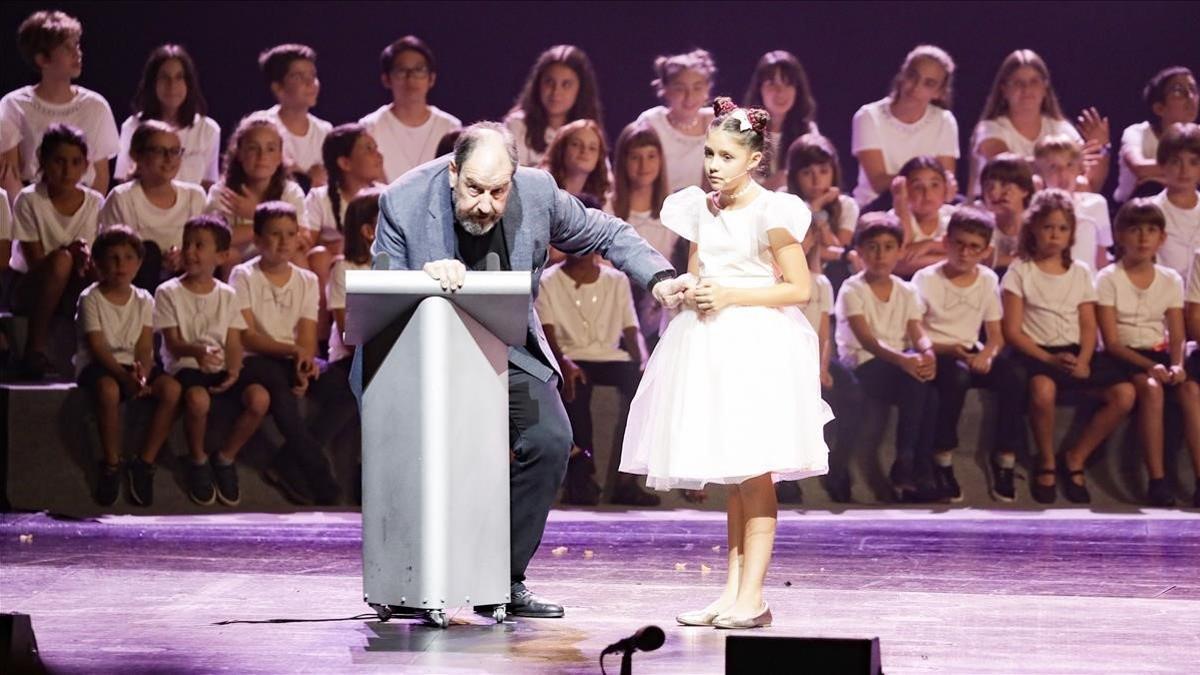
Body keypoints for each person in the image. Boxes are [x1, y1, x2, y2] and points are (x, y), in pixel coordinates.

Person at [364, 121, 675, 619]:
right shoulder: (403, 200)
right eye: (474, 189)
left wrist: (659, 279)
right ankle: (416, 581)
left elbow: (608, 231)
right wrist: (421, 279)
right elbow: (381, 293)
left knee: (551, 440)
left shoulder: (538, 192)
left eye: (497, 191)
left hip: (505, 348)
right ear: (452, 173)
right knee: (434, 450)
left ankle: (502, 579)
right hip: (423, 353)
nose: (486, 204)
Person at [620, 98, 830, 629]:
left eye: (727, 156)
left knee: (755, 474)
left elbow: (799, 288)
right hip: (711, 345)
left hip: (757, 349)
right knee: (734, 477)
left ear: (754, 159)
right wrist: (684, 291)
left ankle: (754, 596)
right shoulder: (701, 208)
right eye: (710, 153)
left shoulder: (771, 211)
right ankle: (732, 591)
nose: (714, 165)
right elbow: (700, 271)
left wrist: (731, 295)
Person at [1001, 189, 1136, 504]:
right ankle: (1046, 460)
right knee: (1043, 390)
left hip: (1074, 351)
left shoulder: (1081, 272)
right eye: (1048, 227)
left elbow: (1089, 324)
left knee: (1125, 394)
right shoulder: (1021, 271)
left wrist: (1085, 360)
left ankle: (1075, 457)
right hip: (1036, 353)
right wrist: (1047, 357)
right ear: (1034, 228)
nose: (1054, 235)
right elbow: (1012, 331)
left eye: (1062, 228)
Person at [232, 202, 348, 507]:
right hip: (254, 358)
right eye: (274, 235)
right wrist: (294, 353)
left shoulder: (306, 280)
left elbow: (308, 335)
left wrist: (304, 362)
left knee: (345, 385)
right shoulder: (243, 275)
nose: (283, 242)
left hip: (289, 358)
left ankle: (287, 460)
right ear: (257, 240)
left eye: (290, 234)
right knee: (275, 382)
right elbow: (247, 336)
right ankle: (318, 473)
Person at [154, 215, 270, 507]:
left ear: (220, 256)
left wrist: (234, 369)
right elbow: (173, 343)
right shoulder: (168, 291)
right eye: (187, 244)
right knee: (197, 399)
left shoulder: (228, 294)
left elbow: (233, 340)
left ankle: (226, 457)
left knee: (259, 399)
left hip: (216, 365)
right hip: (187, 366)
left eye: (199, 246)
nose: (190, 251)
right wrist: (197, 352)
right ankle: (198, 459)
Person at [912, 206, 1026, 502]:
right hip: (938, 350)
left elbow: (996, 334)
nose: (965, 253)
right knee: (957, 379)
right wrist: (946, 349)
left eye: (974, 247)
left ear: (985, 251)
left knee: (1014, 375)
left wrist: (988, 355)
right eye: (959, 244)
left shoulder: (987, 279)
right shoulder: (926, 279)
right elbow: (914, 330)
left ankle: (1006, 458)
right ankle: (943, 457)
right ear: (947, 242)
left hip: (970, 350)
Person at [536, 250, 659, 506]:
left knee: (643, 388)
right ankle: (580, 477)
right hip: (571, 356)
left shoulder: (616, 279)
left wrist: (645, 363)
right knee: (575, 384)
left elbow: (630, 327)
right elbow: (546, 330)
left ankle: (627, 480)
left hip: (610, 356)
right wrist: (563, 362)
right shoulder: (548, 280)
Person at [1096, 199, 1196, 507]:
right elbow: (1111, 342)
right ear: (1120, 235)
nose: (1143, 238)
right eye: (1135, 230)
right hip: (1123, 357)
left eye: (1151, 230)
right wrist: (1150, 368)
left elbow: (1177, 333)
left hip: (1159, 354)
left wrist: (1177, 365)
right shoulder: (1108, 278)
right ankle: (1157, 480)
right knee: (1151, 391)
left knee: (1190, 390)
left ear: (1161, 238)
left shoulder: (1170, 279)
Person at [836, 213, 941, 502]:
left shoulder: (906, 290)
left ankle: (912, 467)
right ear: (860, 251)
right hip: (865, 366)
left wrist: (927, 351)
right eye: (872, 246)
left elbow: (916, 330)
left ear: (899, 251)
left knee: (927, 390)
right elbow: (867, 340)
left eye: (888, 246)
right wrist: (905, 360)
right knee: (917, 381)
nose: (880, 254)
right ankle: (911, 466)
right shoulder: (852, 288)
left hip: (898, 367)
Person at [73, 226, 180, 506]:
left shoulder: (144, 298)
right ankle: (111, 462)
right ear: (98, 263)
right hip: (103, 364)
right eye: (113, 258)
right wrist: (123, 377)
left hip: (133, 365)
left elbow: (145, 346)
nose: (121, 265)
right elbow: (97, 347)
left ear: (139, 263)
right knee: (108, 391)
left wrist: (142, 374)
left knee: (170, 389)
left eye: (129, 257)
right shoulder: (90, 298)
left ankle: (145, 461)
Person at [10, 124, 102, 379]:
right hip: (31, 287)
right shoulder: (30, 200)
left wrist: (84, 260)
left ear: (85, 165)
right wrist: (69, 252)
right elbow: (36, 262)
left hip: (75, 286)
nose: (67, 171)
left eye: (75, 162)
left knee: (98, 268)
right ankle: (34, 349)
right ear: (44, 161)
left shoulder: (95, 203)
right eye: (59, 161)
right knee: (61, 260)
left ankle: (100, 355)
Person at [0, 10, 119, 195]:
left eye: (76, 45)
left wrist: (89, 215)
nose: (77, 53)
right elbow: (10, 173)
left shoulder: (95, 106)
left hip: (82, 204)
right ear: (42, 59)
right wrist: (25, 215)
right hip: (33, 201)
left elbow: (101, 175)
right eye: (66, 47)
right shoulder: (14, 105)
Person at [970, 49, 1109, 199]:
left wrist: (1101, 148)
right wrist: (1063, 162)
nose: (1027, 89)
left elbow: (1090, 186)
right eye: (1018, 83)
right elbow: (1007, 169)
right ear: (1004, 89)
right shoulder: (989, 129)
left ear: (1045, 88)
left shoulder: (1061, 129)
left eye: (1034, 81)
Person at [99, 120, 206, 290]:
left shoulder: (195, 196)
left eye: (174, 151)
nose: (169, 158)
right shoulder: (123, 198)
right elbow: (112, 254)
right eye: (159, 151)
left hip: (183, 281)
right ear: (138, 155)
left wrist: (184, 257)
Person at [850, 45, 960, 209]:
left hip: (925, 208)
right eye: (912, 76)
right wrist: (926, 184)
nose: (915, 87)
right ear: (902, 74)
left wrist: (942, 186)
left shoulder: (944, 121)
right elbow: (878, 182)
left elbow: (945, 180)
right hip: (878, 207)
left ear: (939, 92)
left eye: (928, 83)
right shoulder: (868, 116)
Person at [607, 121, 683, 350]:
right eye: (635, 157)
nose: (644, 165)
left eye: (651, 156)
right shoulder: (608, 207)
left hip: (660, 298)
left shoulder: (673, 210)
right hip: (617, 300)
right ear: (623, 162)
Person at [205, 113, 312, 265]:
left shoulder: (291, 191)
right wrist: (269, 226)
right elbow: (215, 239)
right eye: (253, 148)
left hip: (278, 259)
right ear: (239, 153)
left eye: (270, 149)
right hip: (239, 262)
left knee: (310, 256)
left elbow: (303, 239)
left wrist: (254, 214)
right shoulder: (223, 192)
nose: (262, 156)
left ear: (280, 156)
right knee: (230, 255)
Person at [114, 44, 221, 189]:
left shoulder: (208, 130)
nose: (172, 85)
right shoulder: (132, 126)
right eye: (164, 77)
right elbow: (123, 183)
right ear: (153, 83)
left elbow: (209, 186)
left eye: (179, 77)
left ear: (188, 83)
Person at [360, 36, 461, 182]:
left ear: (431, 78)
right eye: (401, 71)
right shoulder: (370, 126)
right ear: (386, 79)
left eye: (419, 70)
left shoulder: (450, 127)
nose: (410, 78)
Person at [505, 45, 604, 167]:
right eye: (549, 82)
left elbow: (603, 181)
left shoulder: (589, 132)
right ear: (538, 84)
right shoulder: (518, 125)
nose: (556, 92)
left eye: (566, 84)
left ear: (581, 90)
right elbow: (514, 179)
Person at [636, 49, 717, 193]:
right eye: (680, 89)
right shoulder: (652, 123)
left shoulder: (716, 122)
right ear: (665, 89)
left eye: (697, 88)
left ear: (707, 89)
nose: (689, 96)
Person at [255, 44, 332, 190]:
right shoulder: (260, 125)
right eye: (298, 76)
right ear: (278, 87)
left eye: (313, 75)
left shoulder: (325, 131)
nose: (310, 83)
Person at [1116, 67, 1198, 204]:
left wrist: (1161, 177)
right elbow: (1140, 168)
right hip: (1138, 214)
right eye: (1178, 92)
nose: (1190, 97)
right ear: (1159, 108)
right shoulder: (1137, 133)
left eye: (1193, 89)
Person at [742, 50, 818, 190]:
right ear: (759, 89)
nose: (780, 92)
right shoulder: (742, 129)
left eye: (788, 84)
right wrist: (777, 182)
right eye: (772, 84)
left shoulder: (807, 131)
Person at [1150, 123, 1200, 280]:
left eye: (1193, 162)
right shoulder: (1150, 212)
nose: (1185, 170)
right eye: (1176, 162)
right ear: (1162, 165)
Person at [890, 155, 953, 277]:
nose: (927, 193)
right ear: (905, 190)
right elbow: (898, 261)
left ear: (945, 188)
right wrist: (901, 204)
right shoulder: (893, 218)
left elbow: (969, 254)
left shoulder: (952, 216)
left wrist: (929, 245)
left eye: (934, 185)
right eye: (918, 187)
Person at [978, 153, 1035, 274]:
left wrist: (1014, 216)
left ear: (1024, 190)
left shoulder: (1037, 224)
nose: (993, 192)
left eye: (1004, 185)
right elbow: (983, 262)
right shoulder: (979, 221)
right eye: (988, 186)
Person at [539, 119, 610, 198]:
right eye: (576, 144)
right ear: (562, 149)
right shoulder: (541, 185)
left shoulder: (602, 199)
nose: (584, 151)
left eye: (592, 148)